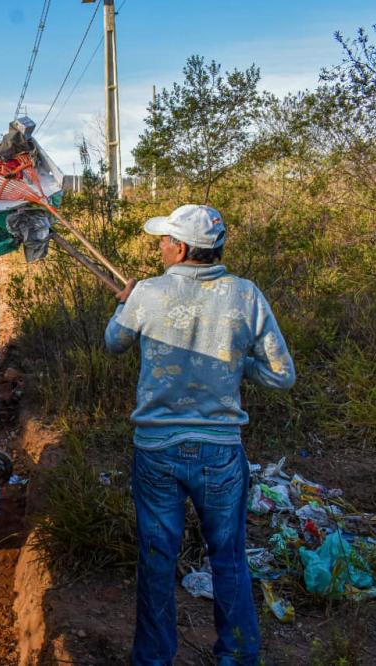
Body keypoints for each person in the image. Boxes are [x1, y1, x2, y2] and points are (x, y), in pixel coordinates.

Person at [104, 204, 295, 665]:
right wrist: (233, 361)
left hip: (156, 452)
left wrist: (124, 303)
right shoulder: (246, 295)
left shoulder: (146, 294)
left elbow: (114, 342)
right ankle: (239, 657)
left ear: (184, 248)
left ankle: (153, 659)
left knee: (157, 561)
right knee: (229, 559)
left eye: (166, 240)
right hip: (221, 452)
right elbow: (281, 375)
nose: (161, 247)